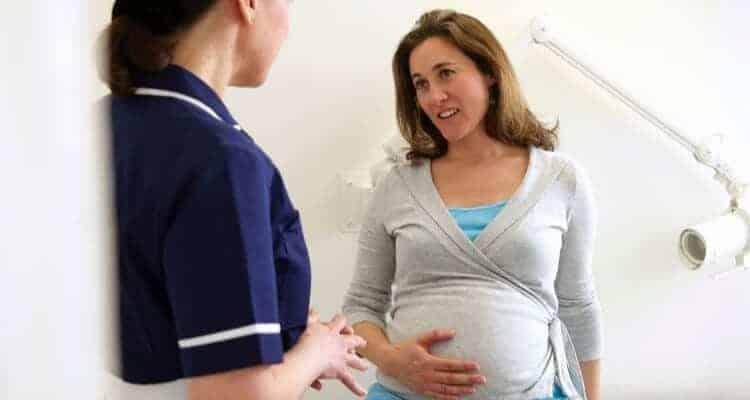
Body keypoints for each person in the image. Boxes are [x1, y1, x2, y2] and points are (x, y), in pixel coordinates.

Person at [101, 0, 367, 398]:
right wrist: (319, 352)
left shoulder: (97, 126)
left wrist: (286, 340)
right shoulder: (218, 159)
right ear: (248, 4)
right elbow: (237, 395)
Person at [343, 9, 602, 400]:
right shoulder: (397, 185)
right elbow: (361, 304)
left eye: (446, 73)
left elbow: (578, 307)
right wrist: (391, 359)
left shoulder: (561, 180)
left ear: (489, 73)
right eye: (420, 84)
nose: (433, 96)